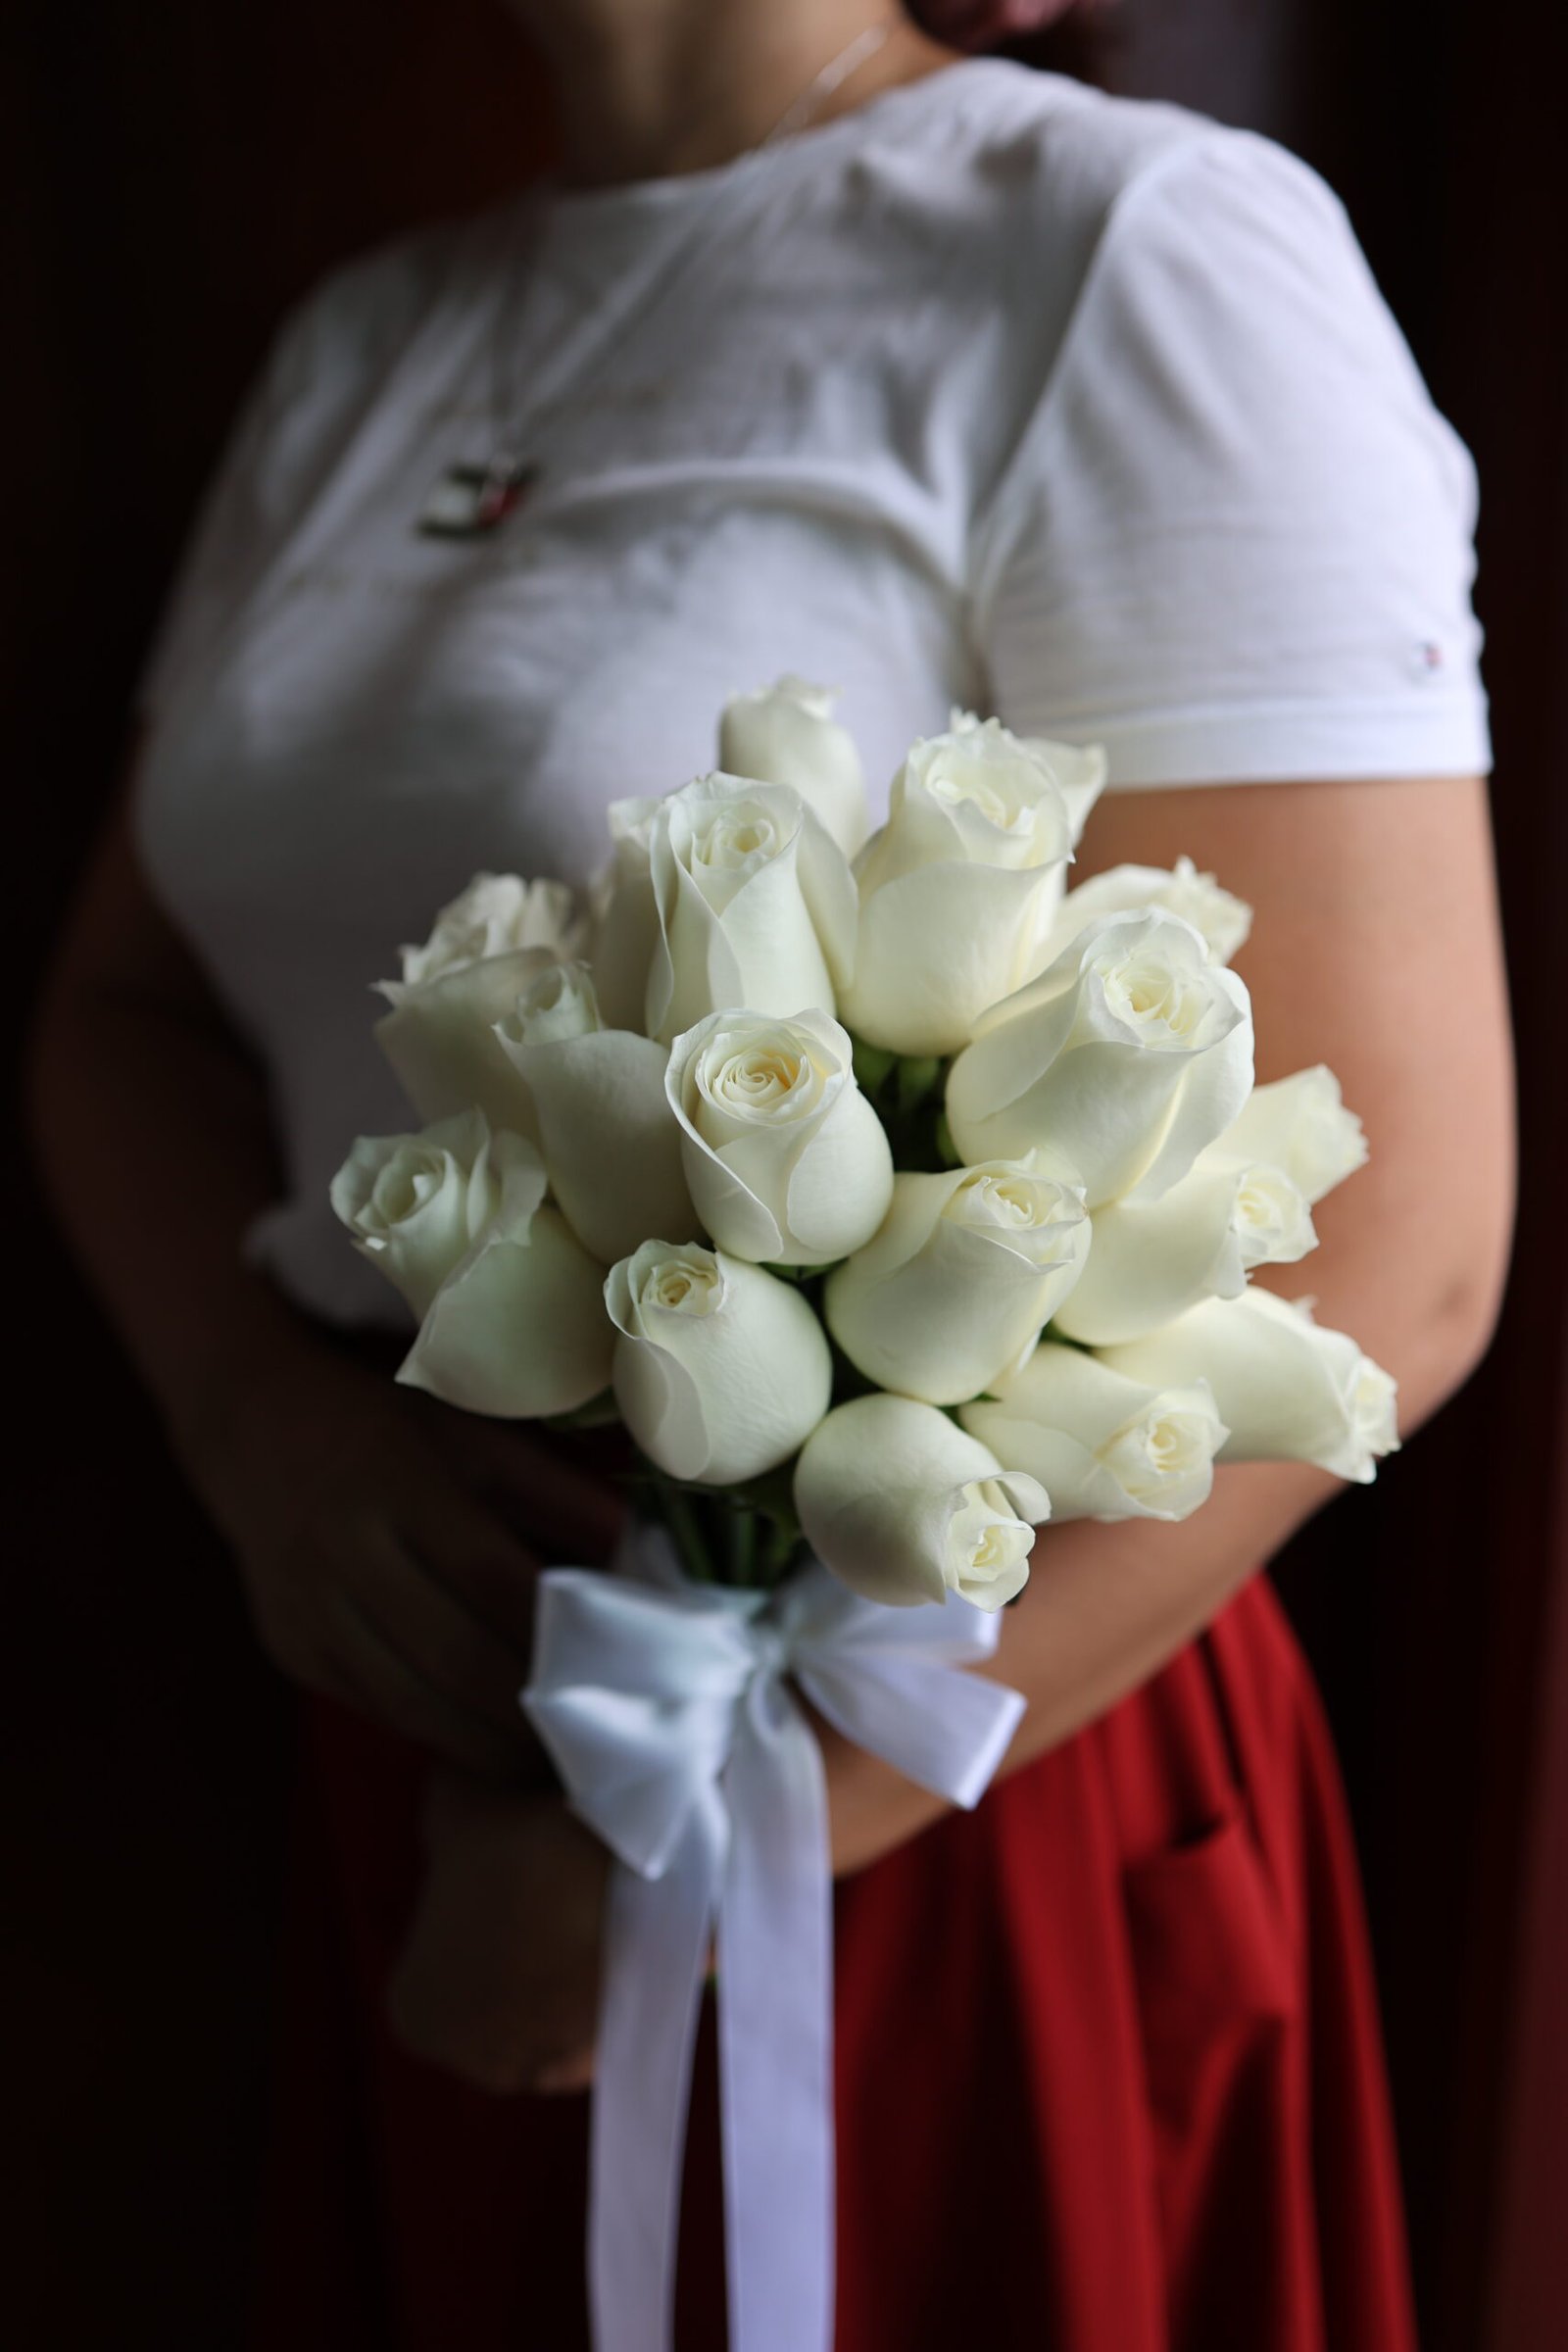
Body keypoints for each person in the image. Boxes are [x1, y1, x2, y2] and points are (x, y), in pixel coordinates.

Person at [29, 1, 1514, 2344]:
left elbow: (1402, 1242)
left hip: (922, 1752)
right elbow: (118, 1016)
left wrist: (705, 1836)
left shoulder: (1131, 254)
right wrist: (255, 1421)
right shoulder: (366, 341)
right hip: (422, 1683)